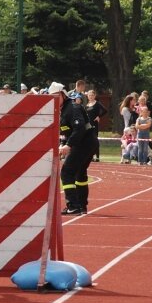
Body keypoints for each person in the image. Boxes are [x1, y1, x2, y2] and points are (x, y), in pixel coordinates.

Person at [51, 82, 98, 215]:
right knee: (80, 173)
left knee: (66, 172)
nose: (53, 99)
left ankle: (73, 205)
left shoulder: (72, 107)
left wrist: (68, 145)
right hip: (87, 142)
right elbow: (68, 131)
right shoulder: (63, 109)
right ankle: (81, 206)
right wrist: (63, 142)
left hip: (84, 143)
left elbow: (79, 128)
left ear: (62, 94)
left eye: (55, 96)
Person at [85, 89, 107, 162]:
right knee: (88, 141)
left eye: (92, 95)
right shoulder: (87, 105)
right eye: (89, 95)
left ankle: (97, 157)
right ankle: (90, 156)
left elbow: (105, 110)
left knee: (95, 140)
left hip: (94, 124)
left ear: (94, 96)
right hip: (88, 125)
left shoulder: (97, 103)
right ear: (87, 96)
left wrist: (98, 116)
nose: (90, 97)